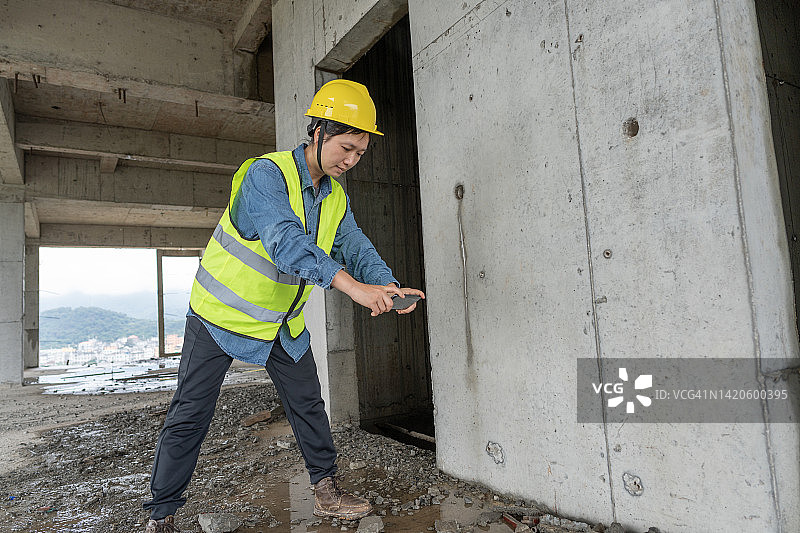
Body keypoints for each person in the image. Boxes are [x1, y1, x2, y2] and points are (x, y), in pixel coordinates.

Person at [143, 79, 425, 533]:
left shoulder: (335, 196)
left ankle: (327, 489)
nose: (351, 161)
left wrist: (385, 285)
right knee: (191, 413)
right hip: (219, 317)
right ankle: (162, 513)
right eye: (346, 148)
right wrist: (353, 289)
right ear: (318, 132)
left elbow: (354, 244)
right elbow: (285, 243)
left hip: (280, 323)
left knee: (308, 403)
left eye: (360, 153)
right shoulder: (266, 176)